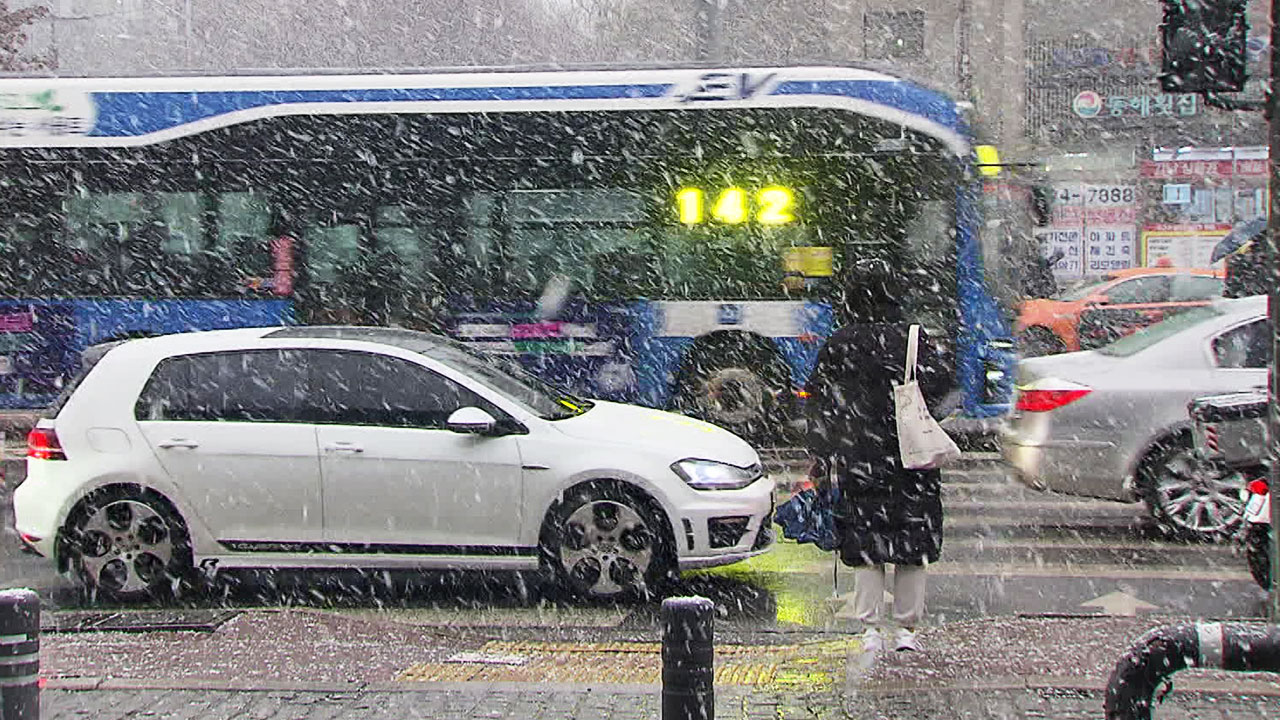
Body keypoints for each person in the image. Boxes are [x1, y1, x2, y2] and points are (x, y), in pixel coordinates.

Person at [804, 258, 950, 654]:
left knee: (867, 546)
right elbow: (941, 385)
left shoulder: (840, 342)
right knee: (911, 545)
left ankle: (869, 629)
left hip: (859, 458)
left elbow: (819, 402)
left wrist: (822, 454)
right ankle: (907, 631)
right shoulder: (912, 339)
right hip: (909, 459)